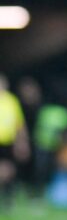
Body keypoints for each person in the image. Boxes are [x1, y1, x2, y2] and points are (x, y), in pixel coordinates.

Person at [0, 73, 29, 210]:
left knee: (9, 170)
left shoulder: (12, 101)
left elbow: (20, 124)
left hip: (7, 142)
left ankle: (7, 199)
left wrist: (22, 142)